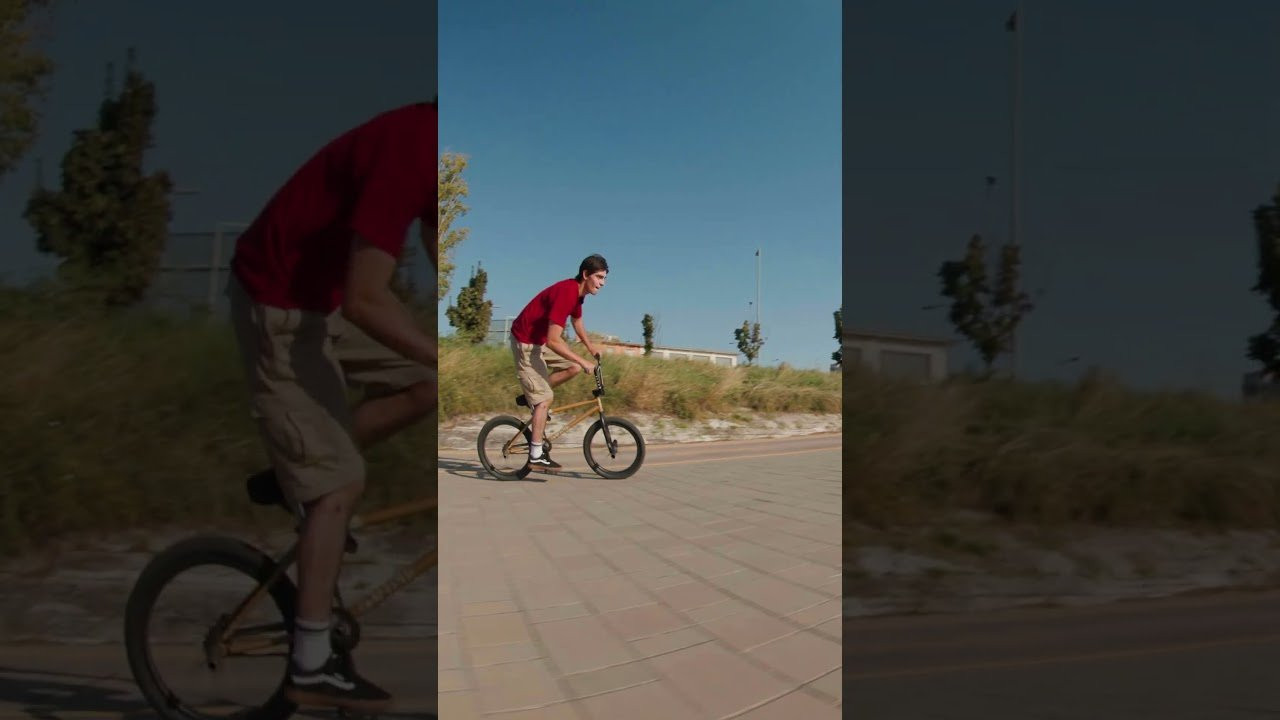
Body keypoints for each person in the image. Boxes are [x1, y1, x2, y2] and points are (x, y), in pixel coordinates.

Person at [226, 101, 437, 714]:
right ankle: (311, 667)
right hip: (277, 306)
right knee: (341, 482)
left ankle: (301, 470)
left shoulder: (432, 148)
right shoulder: (408, 155)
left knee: (424, 381)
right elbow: (369, 301)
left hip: (322, 301)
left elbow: (431, 229)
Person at [508, 255, 608, 470]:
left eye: (604, 278)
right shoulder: (567, 293)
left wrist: (590, 348)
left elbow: (577, 321)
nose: (602, 283)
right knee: (545, 399)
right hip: (525, 342)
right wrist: (583, 361)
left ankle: (531, 397)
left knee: (570, 367)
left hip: (539, 341)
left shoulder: (578, 295)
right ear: (585, 275)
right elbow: (554, 340)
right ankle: (535, 455)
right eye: (599, 277)